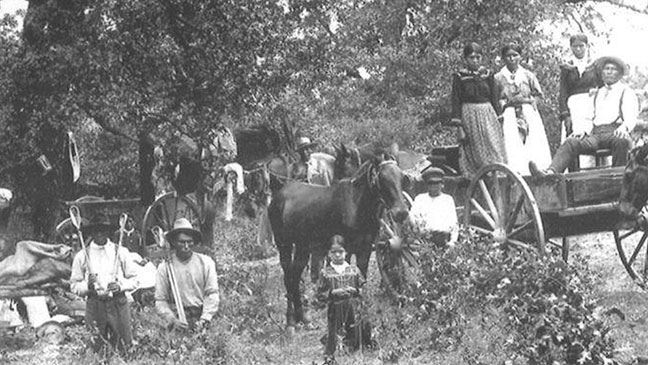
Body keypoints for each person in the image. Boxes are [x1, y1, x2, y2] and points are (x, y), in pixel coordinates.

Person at [530, 56, 639, 176]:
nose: (609, 72)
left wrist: (624, 127)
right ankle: (551, 173)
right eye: (606, 69)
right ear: (601, 73)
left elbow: (631, 116)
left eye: (613, 69)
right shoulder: (598, 93)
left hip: (614, 132)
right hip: (596, 135)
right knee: (571, 142)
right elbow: (590, 117)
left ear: (619, 74)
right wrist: (583, 131)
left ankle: (618, 178)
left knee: (621, 141)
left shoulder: (626, 92)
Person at [70, 213, 140, 354]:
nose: (100, 233)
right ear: (91, 232)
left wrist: (120, 286)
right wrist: (88, 286)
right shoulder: (82, 256)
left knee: (124, 348)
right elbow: (74, 285)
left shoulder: (120, 251)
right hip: (95, 306)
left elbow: (136, 279)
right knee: (95, 350)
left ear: (109, 231)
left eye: (103, 230)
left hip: (118, 304)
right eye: (96, 230)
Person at [451, 42, 507, 177]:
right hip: (469, 115)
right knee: (474, 147)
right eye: (471, 58)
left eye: (478, 57)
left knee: (493, 144)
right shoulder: (460, 77)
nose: (475, 61)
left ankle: (498, 174)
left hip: (487, 113)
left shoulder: (487, 74)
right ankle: (479, 175)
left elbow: (494, 97)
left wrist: (499, 118)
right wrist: (459, 127)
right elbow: (456, 101)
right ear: (465, 59)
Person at [495, 42, 551, 175]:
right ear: (503, 58)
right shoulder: (498, 78)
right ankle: (516, 170)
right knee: (512, 140)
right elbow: (496, 98)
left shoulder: (528, 75)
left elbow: (538, 95)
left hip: (528, 112)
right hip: (508, 113)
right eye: (508, 56)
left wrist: (529, 103)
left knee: (533, 141)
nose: (512, 58)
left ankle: (536, 168)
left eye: (515, 55)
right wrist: (507, 104)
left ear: (520, 57)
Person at [155, 218, 220, 331]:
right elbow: (160, 301)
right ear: (174, 243)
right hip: (178, 316)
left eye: (189, 241)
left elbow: (212, 293)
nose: (186, 246)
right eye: (182, 242)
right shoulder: (165, 267)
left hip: (201, 313)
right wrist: (172, 319)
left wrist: (205, 319)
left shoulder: (206, 262)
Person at [316, 235, 372, 365]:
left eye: (340, 252)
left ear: (345, 253)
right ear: (329, 254)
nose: (337, 255)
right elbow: (320, 294)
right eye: (333, 252)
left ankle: (352, 348)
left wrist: (356, 291)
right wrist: (332, 292)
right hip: (335, 307)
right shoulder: (325, 272)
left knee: (353, 327)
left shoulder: (353, 270)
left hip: (352, 306)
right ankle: (331, 354)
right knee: (334, 331)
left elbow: (363, 287)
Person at [558, 34, 603, 169]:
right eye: (575, 47)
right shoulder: (567, 68)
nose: (578, 49)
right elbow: (563, 92)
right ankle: (574, 174)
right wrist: (565, 114)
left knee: (591, 137)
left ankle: (594, 171)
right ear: (571, 48)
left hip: (591, 106)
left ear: (587, 46)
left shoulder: (595, 66)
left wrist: (597, 91)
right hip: (574, 108)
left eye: (581, 46)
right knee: (573, 137)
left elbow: (603, 86)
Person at [408, 166, 459, 247]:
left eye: (437, 183)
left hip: (443, 240)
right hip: (424, 240)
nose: (434, 186)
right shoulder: (420, 199)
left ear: (442, 184)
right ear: (427, 185)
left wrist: (453, 241)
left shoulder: (448, 200)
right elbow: (412, 218)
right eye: (431, 183)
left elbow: (454, 223)